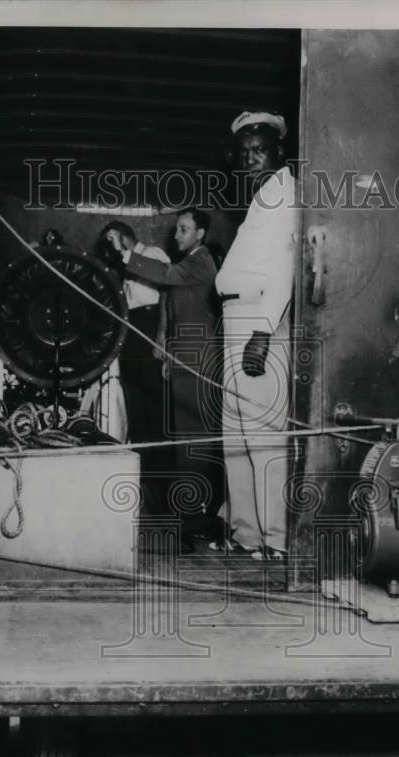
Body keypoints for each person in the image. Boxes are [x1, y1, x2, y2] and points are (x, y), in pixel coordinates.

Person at [213, 110, 299, 560]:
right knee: (237, 436)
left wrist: (263, 331)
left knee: (263, 435)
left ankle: (277, 540)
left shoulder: (284, 193)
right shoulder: (263, 196)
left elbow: (284, 268)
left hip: (256, 321)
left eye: (259, 150)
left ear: (279, 152)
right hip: (238, 319)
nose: (250, 159)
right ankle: (247, 535)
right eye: (244, 153)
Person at [111, 208, 224, 545]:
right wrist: (166, 348)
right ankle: (190, 515)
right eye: (177, 229)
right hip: (183, 362)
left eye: (184, 230)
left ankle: (197, 518)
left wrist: (128, 255)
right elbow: (170, 306)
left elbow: (166, 275)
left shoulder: (200, 261)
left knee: (195, 443)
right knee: (184, 441)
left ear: (200, 234)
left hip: (199, 363)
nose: (177, 236)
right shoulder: (189, 261)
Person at [100, 222, 171, 503]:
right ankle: (146, 481)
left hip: (151, 326)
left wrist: (162, 336)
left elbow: (167, 292)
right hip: (132, 331)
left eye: (112, 238)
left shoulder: (153, 253)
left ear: (125, 235)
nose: (110, 245)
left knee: (156, 408)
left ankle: (165, 483)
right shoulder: (121, 267)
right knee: (136, 408)